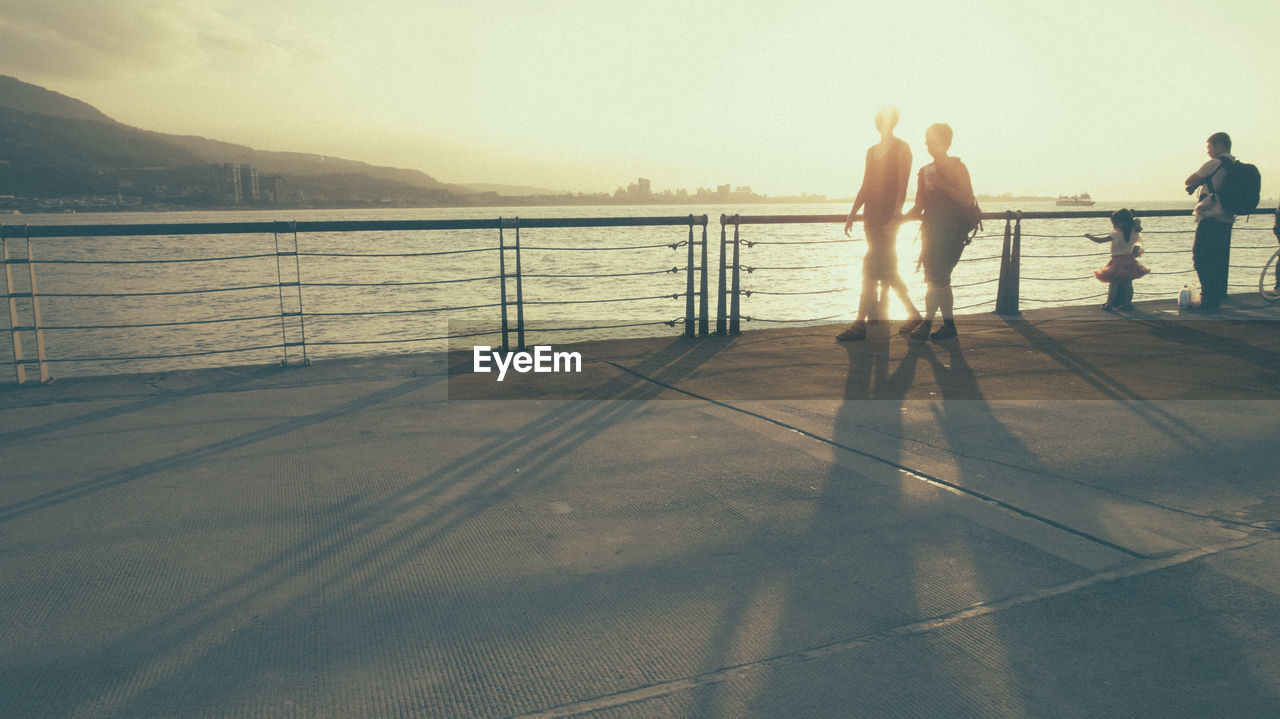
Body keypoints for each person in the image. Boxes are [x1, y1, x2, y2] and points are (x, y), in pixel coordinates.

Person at [836, 107, 922, 341]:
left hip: (887, 218)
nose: (880, 124)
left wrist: (895, 216)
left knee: (870, 268)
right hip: (871, 217)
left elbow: (903, 186)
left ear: (892, 122)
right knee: (887, 271)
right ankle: (914, 314)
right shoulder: (871, 151)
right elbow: (866, 184)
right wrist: (852, 213)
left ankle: (859, 324)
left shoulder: (902, 147)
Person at [901, 123, 974, 340]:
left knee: (938, 278)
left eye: (932, 141)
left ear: (945, 142)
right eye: (926, 141)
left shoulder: (957, 167)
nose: (928, 146)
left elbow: (967, 199)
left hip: (953, 233)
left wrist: (942, 184)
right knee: (937, 280)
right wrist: (898, 220)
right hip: (931, 232)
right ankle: (948, 326)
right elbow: (918, 206)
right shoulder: (924, 171)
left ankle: (928, 323)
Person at [1184, 132, 1236, 311]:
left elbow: (1189, 180)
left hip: (1211, 218)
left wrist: (1202, 179)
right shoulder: (1234, 164)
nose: (1208, 151)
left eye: (1209, 147)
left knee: (1200, 258)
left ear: (1219, 145)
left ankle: (1209, 299)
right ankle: (1214, 297)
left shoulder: (1214, 163)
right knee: (1216, 259)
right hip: (1227, 219)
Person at [1085, 209, 1150, 310]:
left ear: (1119, 223)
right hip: (1129, 260)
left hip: (1116, 261)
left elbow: (1100, 241)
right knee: (1128, 284)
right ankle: (1128, 303)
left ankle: (1109, 304)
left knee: (1113, 284)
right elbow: (1138, 222)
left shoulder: (1116, 235)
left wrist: (1089, 236)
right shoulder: (1134, 233)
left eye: (1114, 223)